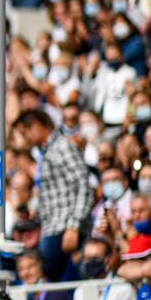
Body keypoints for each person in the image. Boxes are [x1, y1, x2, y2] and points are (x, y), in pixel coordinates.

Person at [13, 109, 92, 282]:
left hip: (64, 228)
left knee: (38, 276)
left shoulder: (63, 146)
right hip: (52, 227)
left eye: (24, 132)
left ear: (38, 126)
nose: (23, 137)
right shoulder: (47, 152)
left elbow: (83, 187)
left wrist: (74, 226)